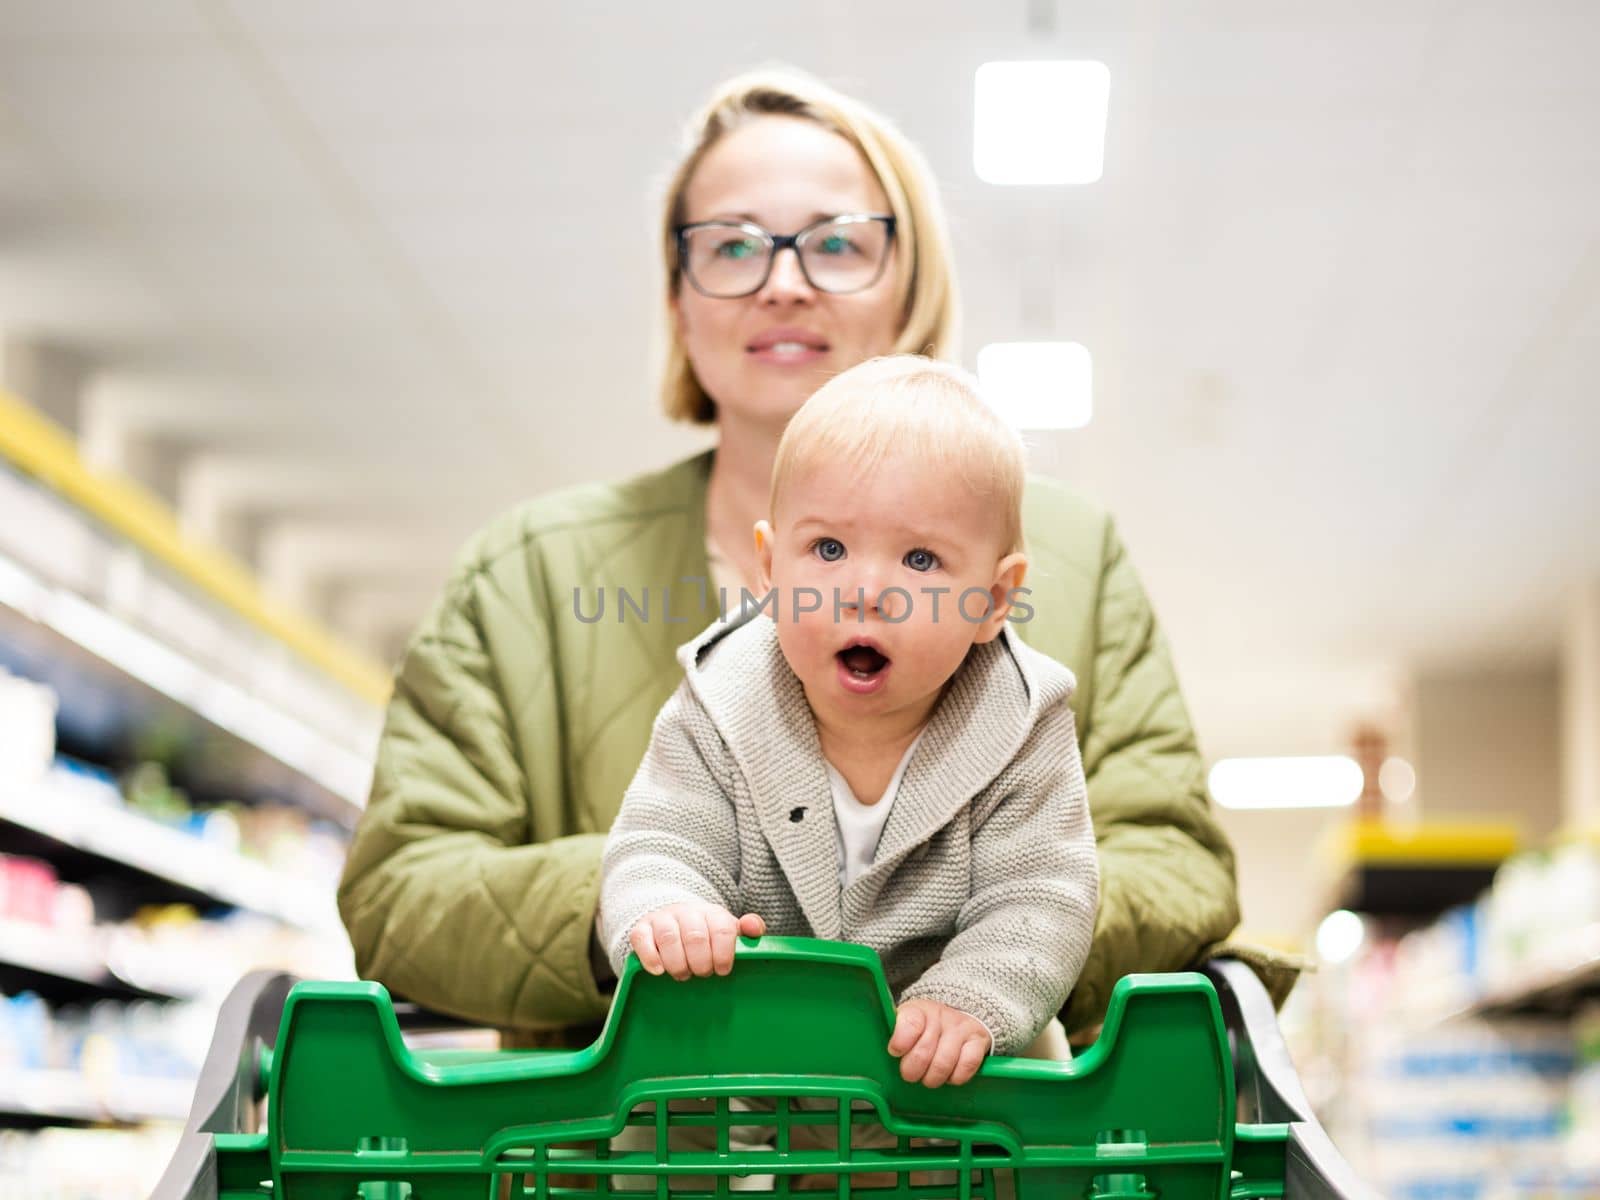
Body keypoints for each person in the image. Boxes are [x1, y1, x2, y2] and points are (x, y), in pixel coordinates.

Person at [338, 66, 1279, 1050]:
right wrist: (656, 899)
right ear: (677, 299)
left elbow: (1176, 869)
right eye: (731, 245)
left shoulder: (1072, 557)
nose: (783, 280)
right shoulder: (526, 577)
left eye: (836, 243)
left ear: (908, 286)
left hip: (966, 1151)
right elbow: (398, 892)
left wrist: (983, 951)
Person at [600, 356, 1098, 1088]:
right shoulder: (720, 701)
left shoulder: (1021, 725)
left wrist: (970, 999)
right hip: (753, 1082)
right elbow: (661, 837)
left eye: (921, 559)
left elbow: (1042, 896)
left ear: (993, 598)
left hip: (950, 1099)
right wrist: (670, 910)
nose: (866, 592)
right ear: (770, 570)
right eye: (828, 549)